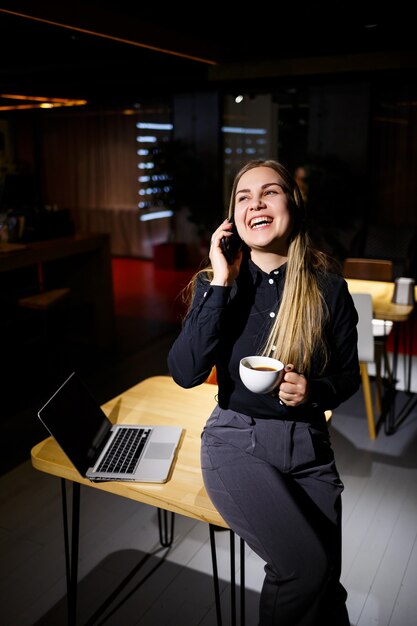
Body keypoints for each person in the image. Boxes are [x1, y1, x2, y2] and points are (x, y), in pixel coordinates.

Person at [167, 159, 360, 625]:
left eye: (269, 193)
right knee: (302, 570)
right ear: (233, 216)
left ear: (292, 205)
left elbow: (349, 376)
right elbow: (185, 371)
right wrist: (220, 278)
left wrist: (313, 390)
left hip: (309, 447)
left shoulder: (328, 289)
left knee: (326, 584)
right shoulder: (220, 286)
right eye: (243, 196)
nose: (256, 203)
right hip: (236, 441)